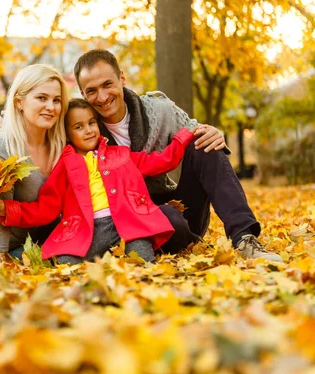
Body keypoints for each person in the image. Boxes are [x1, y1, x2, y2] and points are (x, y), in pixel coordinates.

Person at [71, 49, 281, 262]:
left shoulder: (159, 110)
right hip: (124, 225)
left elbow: (194, 130)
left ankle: (244, 237)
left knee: (203, 143)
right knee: (169, 219)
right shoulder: (80, 133)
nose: (103, 97)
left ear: (122, 78)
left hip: (176, 208)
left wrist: (213, 133)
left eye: (107, 84)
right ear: (82, 94)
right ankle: (174, 245)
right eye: (92, 91)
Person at [0, 99, 205, 264]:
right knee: (66, 264)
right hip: (85, 231)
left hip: (127, 225)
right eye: (79, 126)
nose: (88, 130)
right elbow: (46, 208)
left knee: (142, 259)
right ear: (66, 133)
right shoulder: (65, 165)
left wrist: (183, 137)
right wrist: (9, 210)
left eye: (91, 122)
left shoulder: (121, 155)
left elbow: (160, 162)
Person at [0, 64, 69, 263]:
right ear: (19, 102)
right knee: (53, 262)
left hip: (35, 237)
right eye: (42, 98)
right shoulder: (3, 145)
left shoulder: (60, 143)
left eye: (56, 100)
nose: (51, 106)